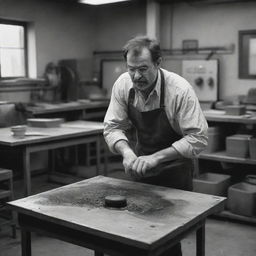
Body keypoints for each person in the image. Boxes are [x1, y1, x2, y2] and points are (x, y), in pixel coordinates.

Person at [103, 35, 208, 256]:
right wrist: (127, 152)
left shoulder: (179, 90)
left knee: (168, 238)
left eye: (143, 69)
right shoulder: (123, 84)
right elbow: (112, 127)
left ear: (159, 63)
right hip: (140, 166)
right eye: (131, 69)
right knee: (136, 231)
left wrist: (157, 158)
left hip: (175, 170)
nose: (136, 76)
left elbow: (198, 138)